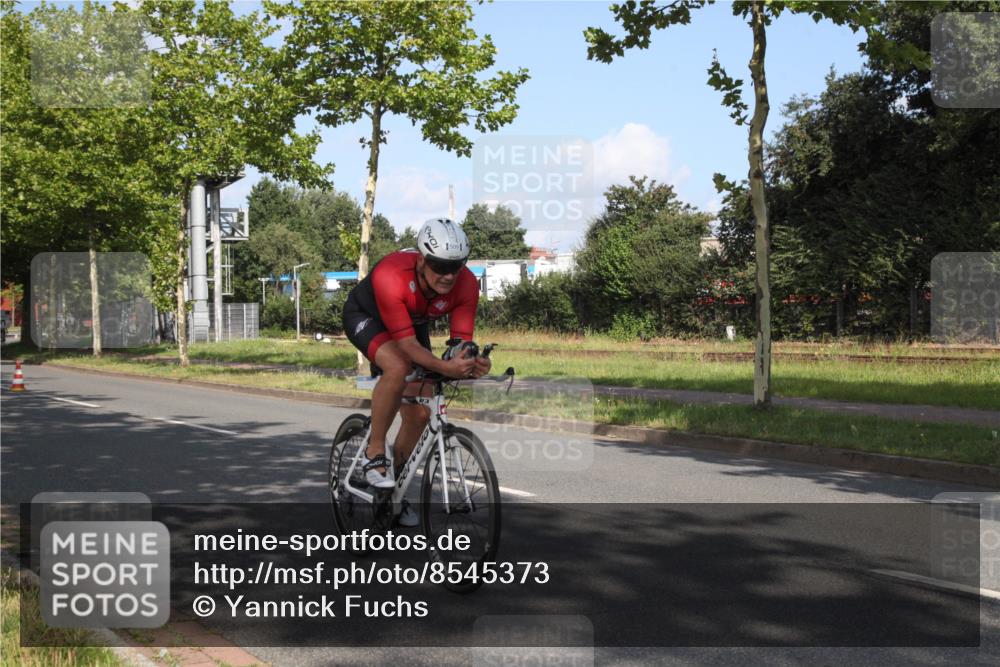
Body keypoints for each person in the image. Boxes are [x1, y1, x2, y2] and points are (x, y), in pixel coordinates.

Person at [342, 218, 491, 526]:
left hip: (410, 324)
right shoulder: (391, 275)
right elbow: (408, 348)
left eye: (456, 266)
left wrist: (471, 363)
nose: (449, 275)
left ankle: (394, 489)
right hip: (367, 317)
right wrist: (446, 366)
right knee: (398, 367)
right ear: (422, 260)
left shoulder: (466, 285)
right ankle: (375, 451)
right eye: (439, 266)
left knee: (420, 414)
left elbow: (459, 344)